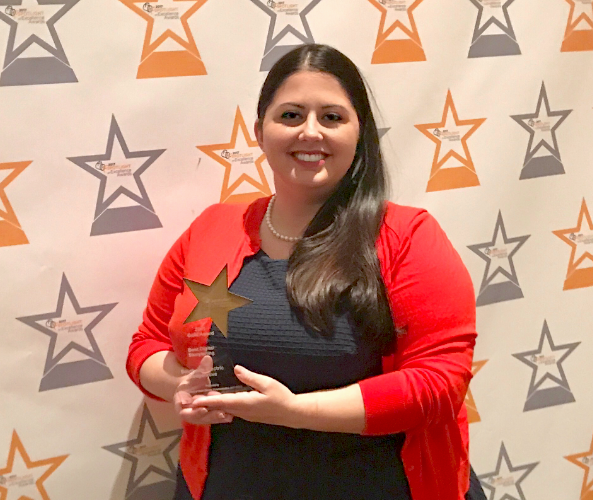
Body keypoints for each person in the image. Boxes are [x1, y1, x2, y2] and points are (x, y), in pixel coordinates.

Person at [126, 44, 479, 500]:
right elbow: (147, 345)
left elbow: (440, 382)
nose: (310, 132)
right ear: (260, 131)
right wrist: (184, 384)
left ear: (359, 133)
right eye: (291, 115)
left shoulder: (407, 236)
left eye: (332, 117)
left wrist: (294, 412)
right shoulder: (212, 229)